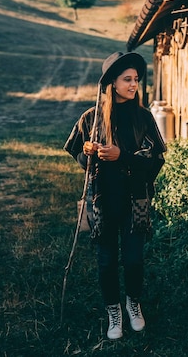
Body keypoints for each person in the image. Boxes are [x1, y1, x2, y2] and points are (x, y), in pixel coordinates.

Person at [64, 52, 166, 340]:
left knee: (133, 259)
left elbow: (155, 161)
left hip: (136, 202)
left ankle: (133, 304)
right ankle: (114, 311)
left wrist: (123, 157)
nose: (134, 84)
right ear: (112, 82)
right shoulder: (91, 118)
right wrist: (87, 153)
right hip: (103, 203)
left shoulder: (143, 118)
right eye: (127, 79)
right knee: (106, 261)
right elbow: (80, 159)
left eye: (136, 79)